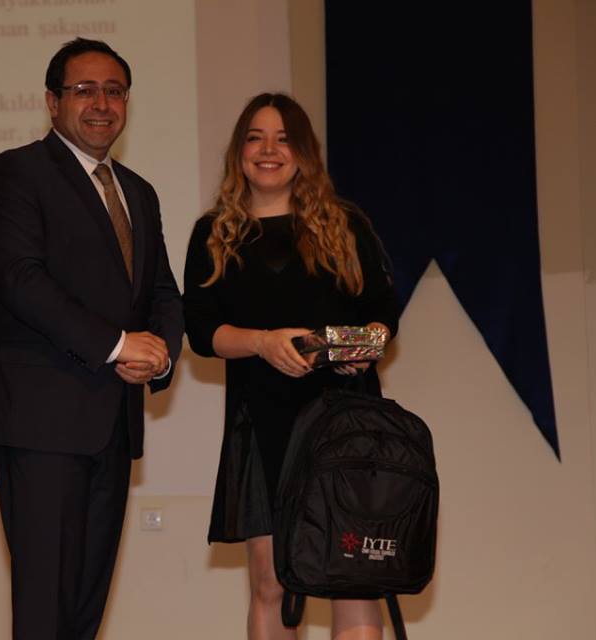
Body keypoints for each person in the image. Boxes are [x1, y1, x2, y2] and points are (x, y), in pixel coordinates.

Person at [0, 38, 184, 639]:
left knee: (85, 611)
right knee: (45, 608)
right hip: (41, 422)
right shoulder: (13, 172)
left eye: (115, 91)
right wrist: (118, 345)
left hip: (114, 424)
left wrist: (160, 354)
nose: (101, 104)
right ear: (52, 101)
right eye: (84, 90)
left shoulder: (138, 191)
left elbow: (163, 293)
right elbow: (21, 280)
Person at [183, 93, 399, 640]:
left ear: (304, 152)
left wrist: (349, 348)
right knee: (271, 584)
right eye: (255, 137)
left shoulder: (346, 224)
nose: (269, 150)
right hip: (262, 426)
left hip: (346, 425)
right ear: (239, 152)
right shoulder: (213, 233)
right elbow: (202, 333)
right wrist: (261, 343)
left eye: (283, 139)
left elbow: (382, 318)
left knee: (353, 582)